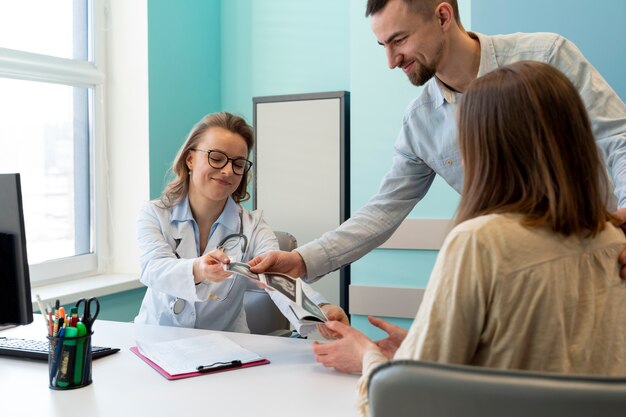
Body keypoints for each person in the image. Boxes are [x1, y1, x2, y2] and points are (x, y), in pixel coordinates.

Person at [313, 61, 626, 415]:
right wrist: (419, 350)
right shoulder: (613, 240)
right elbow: (551, 373)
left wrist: (367, 356)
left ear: (487, 146)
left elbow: (408, 404)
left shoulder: (481, 242)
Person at [249, 0, 626, 284]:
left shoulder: (547, 57)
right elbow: (383, 210)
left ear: (443, 17)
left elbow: (618, 136)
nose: (391, 61)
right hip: (513, 279)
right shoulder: (421, 123)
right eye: (382, 45)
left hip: (600, 261)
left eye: (399, 40)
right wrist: (303, 260)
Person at [134, 112, 348, 335]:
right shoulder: (154, 213)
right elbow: (153, 268)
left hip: (225, 349)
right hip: (157, 340)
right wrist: (199, 269)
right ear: (190, 159)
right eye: (216, 158)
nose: (227, 171)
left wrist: (318, 308)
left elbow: (277, 277)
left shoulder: (252, 226)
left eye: (238, 163)